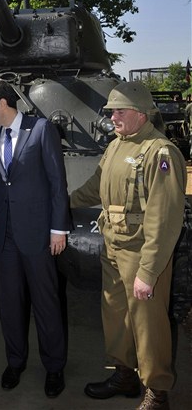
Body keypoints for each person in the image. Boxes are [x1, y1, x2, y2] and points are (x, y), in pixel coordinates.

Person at [70, 81, 186, 410]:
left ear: (140, 113)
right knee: (116, 317)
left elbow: (164, 219)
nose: (113, 117)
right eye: (111, 111)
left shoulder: (159, 152)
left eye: (119, 111)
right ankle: (124, 374)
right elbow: (96, 187)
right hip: (113, 247)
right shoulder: (116, 145)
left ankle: (157, 391)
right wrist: (63, 203)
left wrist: (148, 272)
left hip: (142, 253)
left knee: (149, 325)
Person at [0, 79, 70, 399]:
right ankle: (15, 362)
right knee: (10, 304)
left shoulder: (42, 129)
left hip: (38, 234)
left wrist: (58, 230)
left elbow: (57, 182)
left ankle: (54, 366)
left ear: (3, 104)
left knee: (46, 303)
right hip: (4, 236)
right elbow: (0, 180)